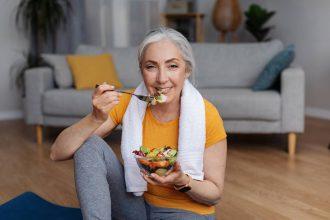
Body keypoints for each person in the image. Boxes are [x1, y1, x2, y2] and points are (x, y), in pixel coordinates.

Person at [50, 27, 227, 220]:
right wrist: (95, 118)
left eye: (172, 66)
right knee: (89, 144)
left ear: (187, 70)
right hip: (137, 206)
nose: (161, 78)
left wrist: (182, 180)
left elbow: (214, 194)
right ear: (141, 70)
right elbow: (57, 153)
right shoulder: (130, 103)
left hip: (186, 212)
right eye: (151, 67)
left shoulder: (206, 114)